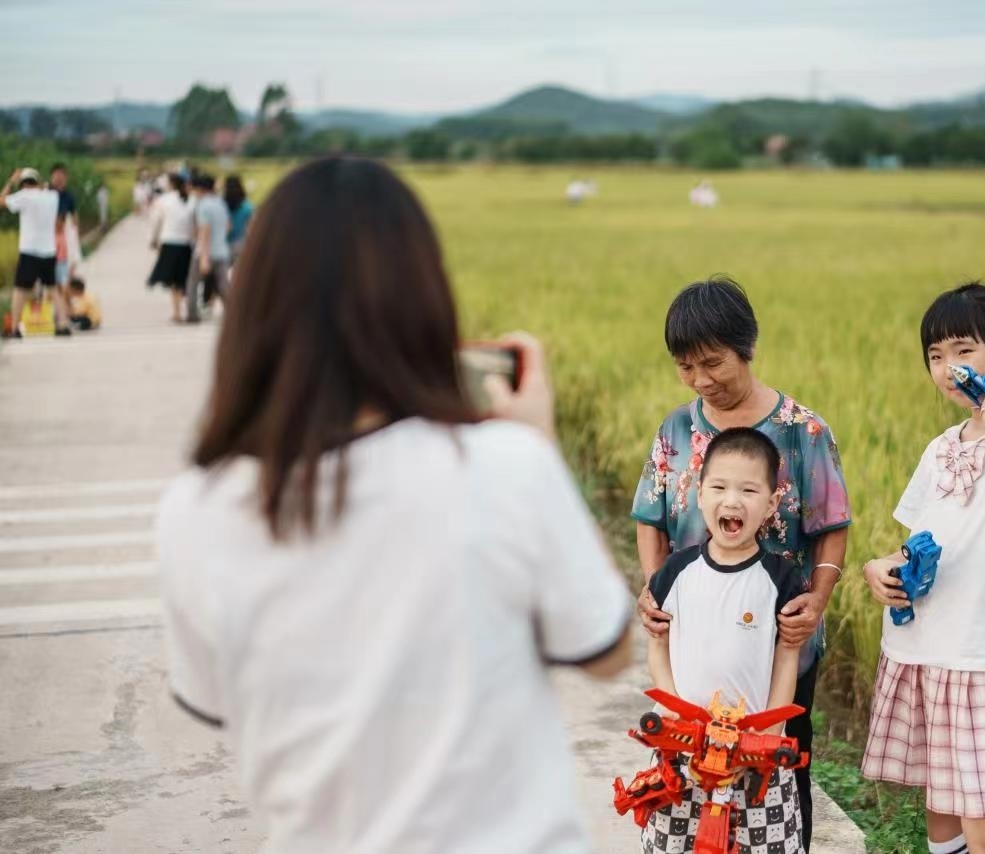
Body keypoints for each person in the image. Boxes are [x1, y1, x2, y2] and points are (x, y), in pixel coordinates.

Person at [156, 156, 633, 854]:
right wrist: (541, 445)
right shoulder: (503, 467)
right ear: (422, 298)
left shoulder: (194, 509)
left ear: (256, 306)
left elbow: (217, 704)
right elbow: (606, 650)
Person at [633, 276, 850, 850]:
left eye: (713, 363)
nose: (701, 380)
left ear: (746, 348)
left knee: (778, 770)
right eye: (686, 367)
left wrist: (817, 604)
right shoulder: (677, 430)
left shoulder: (803, 432)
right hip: (693, 642)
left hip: (779, 641)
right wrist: (653, 595)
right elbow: (651, 516)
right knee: (683, 776)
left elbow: (832, 528)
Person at [859, 282, 985, 854]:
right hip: (923, 647)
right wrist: (882, 567)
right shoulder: (940, 447)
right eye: (935, 356)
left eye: (962, 350)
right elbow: (921, 540)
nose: (948, 368)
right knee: (943, 812)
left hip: (981, 654)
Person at [643, 427, 808, 853]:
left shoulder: (782, 580)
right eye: (718, 487)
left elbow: (787, 657)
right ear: (699, 494)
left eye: (749, 490)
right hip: (682, 746)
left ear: (772, 504)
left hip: (755, 755)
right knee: (672, 842)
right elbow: (657, 644)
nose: (732, 500)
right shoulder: (674, 572)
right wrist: (672, 713)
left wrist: (769, 735)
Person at [1, 167, 70, 338]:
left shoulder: (23, 196)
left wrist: (11, 181)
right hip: (49, 251)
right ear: (37, 181)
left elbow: (1, 201)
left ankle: (15, 328)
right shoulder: (51, 197)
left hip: (29, 251)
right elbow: (49, 188)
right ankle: (62, 324)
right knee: (53, 288)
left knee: (20, 290)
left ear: (23, 183)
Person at [147, 172, 194, 323]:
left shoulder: (163, 200)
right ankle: (189, 309)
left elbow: (156, 222)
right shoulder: (191, 200)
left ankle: (177, 313)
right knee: (185, 279)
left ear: (171, 184)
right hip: (187, 244)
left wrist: (153, 240)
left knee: (174, 281)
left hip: (169, 242)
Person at [186, 172, 231, 322]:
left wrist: (204, 257)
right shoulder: (221, 203)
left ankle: (192, 315)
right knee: (223, 285)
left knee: (193, 284)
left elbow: (204, 231)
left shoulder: (203, 205)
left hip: (205, 252)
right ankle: (236, 314)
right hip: (222, 251)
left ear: (200, 189)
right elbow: (228, 226)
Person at [224, 174, 253, 270]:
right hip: (241, 242)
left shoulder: (221, 204)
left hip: (223, 243)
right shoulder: (247, 206)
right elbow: (250, 228)